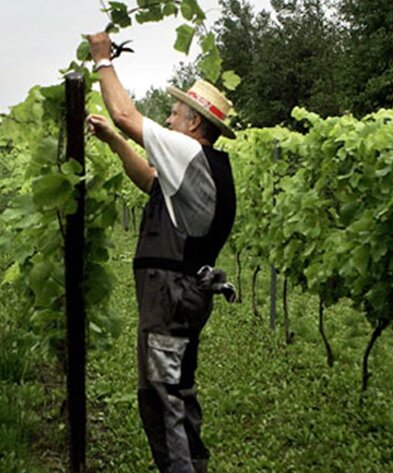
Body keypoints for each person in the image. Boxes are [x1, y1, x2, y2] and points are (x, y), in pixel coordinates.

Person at [85, 31, 237, 473]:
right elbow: (150, 181)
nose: (168, 121)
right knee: (174, 389)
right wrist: (116, 142)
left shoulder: (188, 153)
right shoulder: (199, 169)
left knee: (162, 395)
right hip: (178, 295)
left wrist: (102, 60)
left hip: (171, 297)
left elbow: (125, 111)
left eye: (173, 114)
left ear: (194, 125)